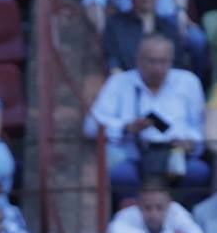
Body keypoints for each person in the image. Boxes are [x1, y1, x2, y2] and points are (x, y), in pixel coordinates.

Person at [84, 34, 210, 201]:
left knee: (199, 172)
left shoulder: (188, 81)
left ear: (171, 60)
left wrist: (190, 142)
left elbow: (200, 127)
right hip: (135, 157)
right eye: (151, 61)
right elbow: (90, 126)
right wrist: (125, 127)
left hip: (174, 157)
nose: (157, 68)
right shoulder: (119, 82)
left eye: (163, 61)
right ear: (138, 59)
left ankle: (181, 214)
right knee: (120, 175)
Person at [84, 0, 208, 81]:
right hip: (128, 22)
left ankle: (200, 86)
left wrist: (181, 12)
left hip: (169, 17)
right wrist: (105, 35)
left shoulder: (170, 27)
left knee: (196, 40)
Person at [102, 0, 188, 76]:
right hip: (128, 86)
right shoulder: (115, 25)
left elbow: (177, 65)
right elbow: (113, 63)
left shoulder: (169, 28)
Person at [106, 174, 208, 233]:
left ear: (169, 204)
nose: (154, 214)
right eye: (148, 208)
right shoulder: (129, 214)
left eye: (159, 207)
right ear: (139, 205)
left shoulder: (176, 211)